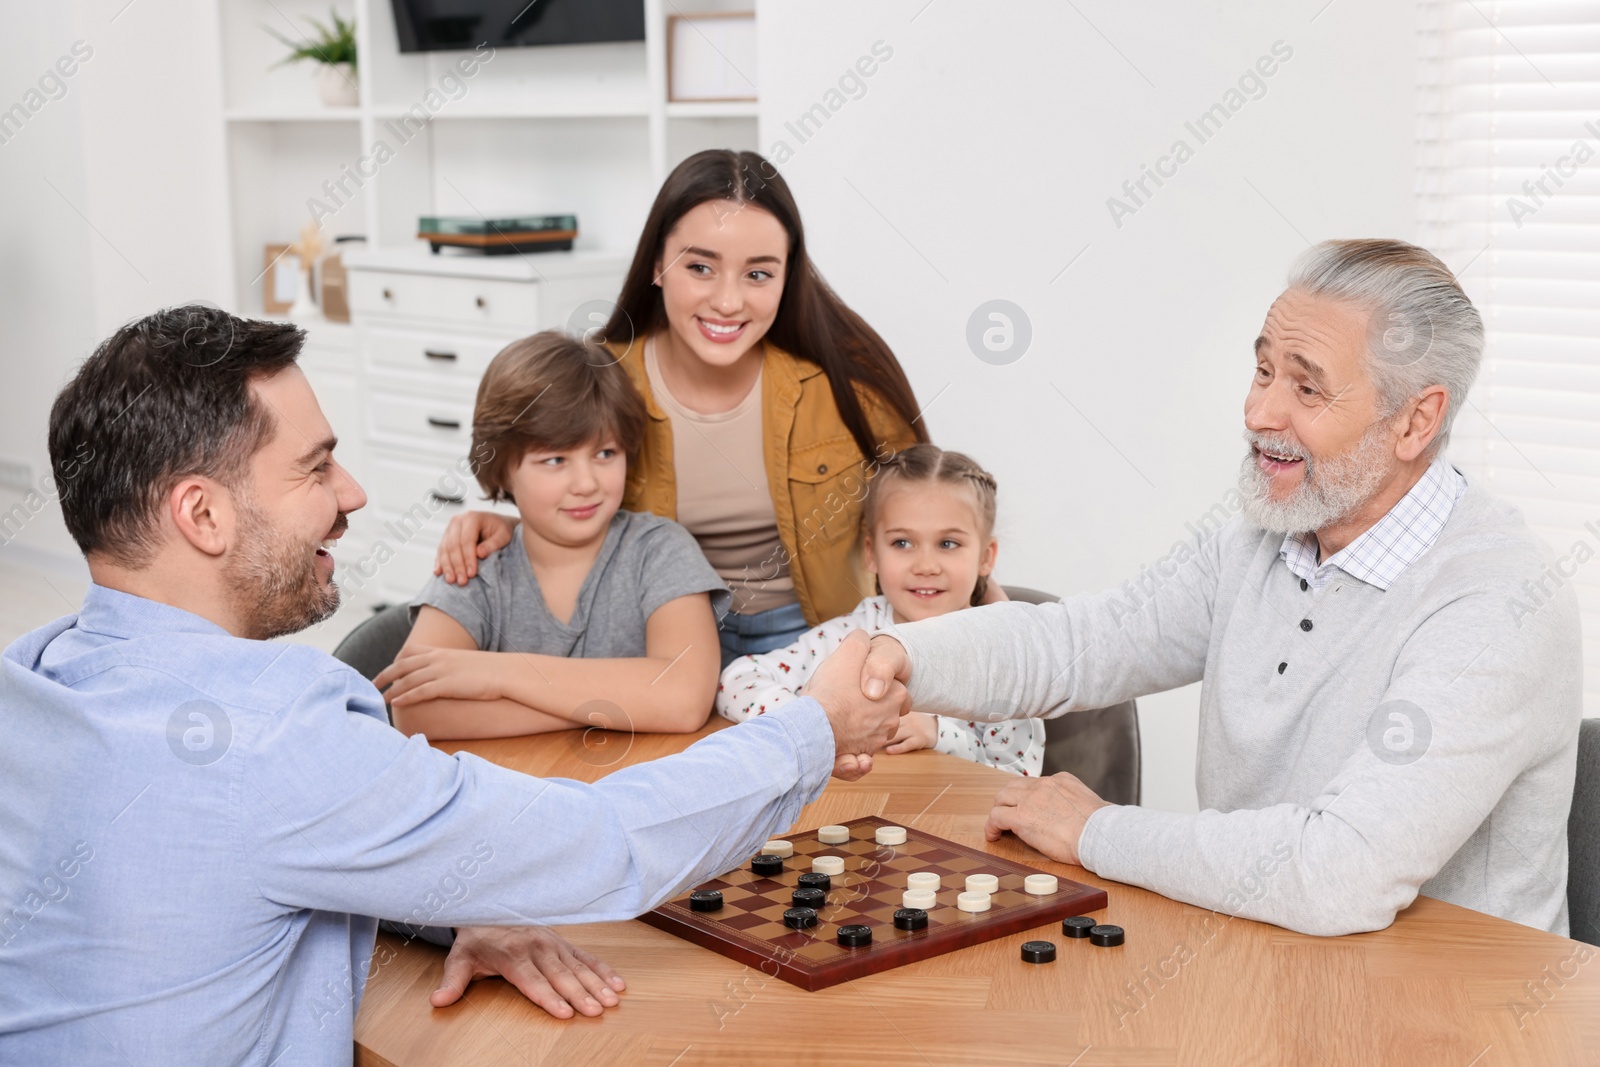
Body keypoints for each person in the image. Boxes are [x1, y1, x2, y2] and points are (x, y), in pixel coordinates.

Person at [0, 306, 906, 1064]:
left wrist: (448, 904)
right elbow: (602, 840)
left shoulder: (31, 676)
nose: (352, 493)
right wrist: (815, 723)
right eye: (316, 466)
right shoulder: (272, 731)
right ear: (201, 513)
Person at [860, 240, 1582, 937]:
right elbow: (1081, 642)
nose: (1259, 412)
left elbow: (1343, 871)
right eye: (1263, 371)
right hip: (1259, 952)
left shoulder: (1499, 603)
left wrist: (1097, 829)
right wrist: (896, 658)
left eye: (1306, 386)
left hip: (1453, 1024)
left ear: (1416, 420)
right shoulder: (1259, 537)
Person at [430, 149, 936, 667]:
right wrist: (515, 529)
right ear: (657, 265)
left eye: (758, 275)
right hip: (656, 643)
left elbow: (933, 523)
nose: (727, 301)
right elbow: (578, 502)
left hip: (819, 643)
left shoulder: (846, 386)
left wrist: (998, 626)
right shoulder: (599, 382)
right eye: (699, 267)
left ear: (787, 277)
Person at [375, 331, 728, 740]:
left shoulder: (661, 550)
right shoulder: (477, 566)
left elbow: (683, 699)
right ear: (503, 468)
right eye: (555, 460)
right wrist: (621, 706)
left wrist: (498, 675)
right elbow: (415, 712)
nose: (585, 483)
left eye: (605, 454)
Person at [719, 444, 1044, 776]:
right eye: (902, 543)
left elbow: (1019, 772)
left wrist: (938, 735)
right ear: (872, 554)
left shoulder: (1004, 654)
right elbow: (735, 680)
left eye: (948, 544)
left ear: (986, 557)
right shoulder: (852, 637)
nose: (926, 565)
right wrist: (820, 721)